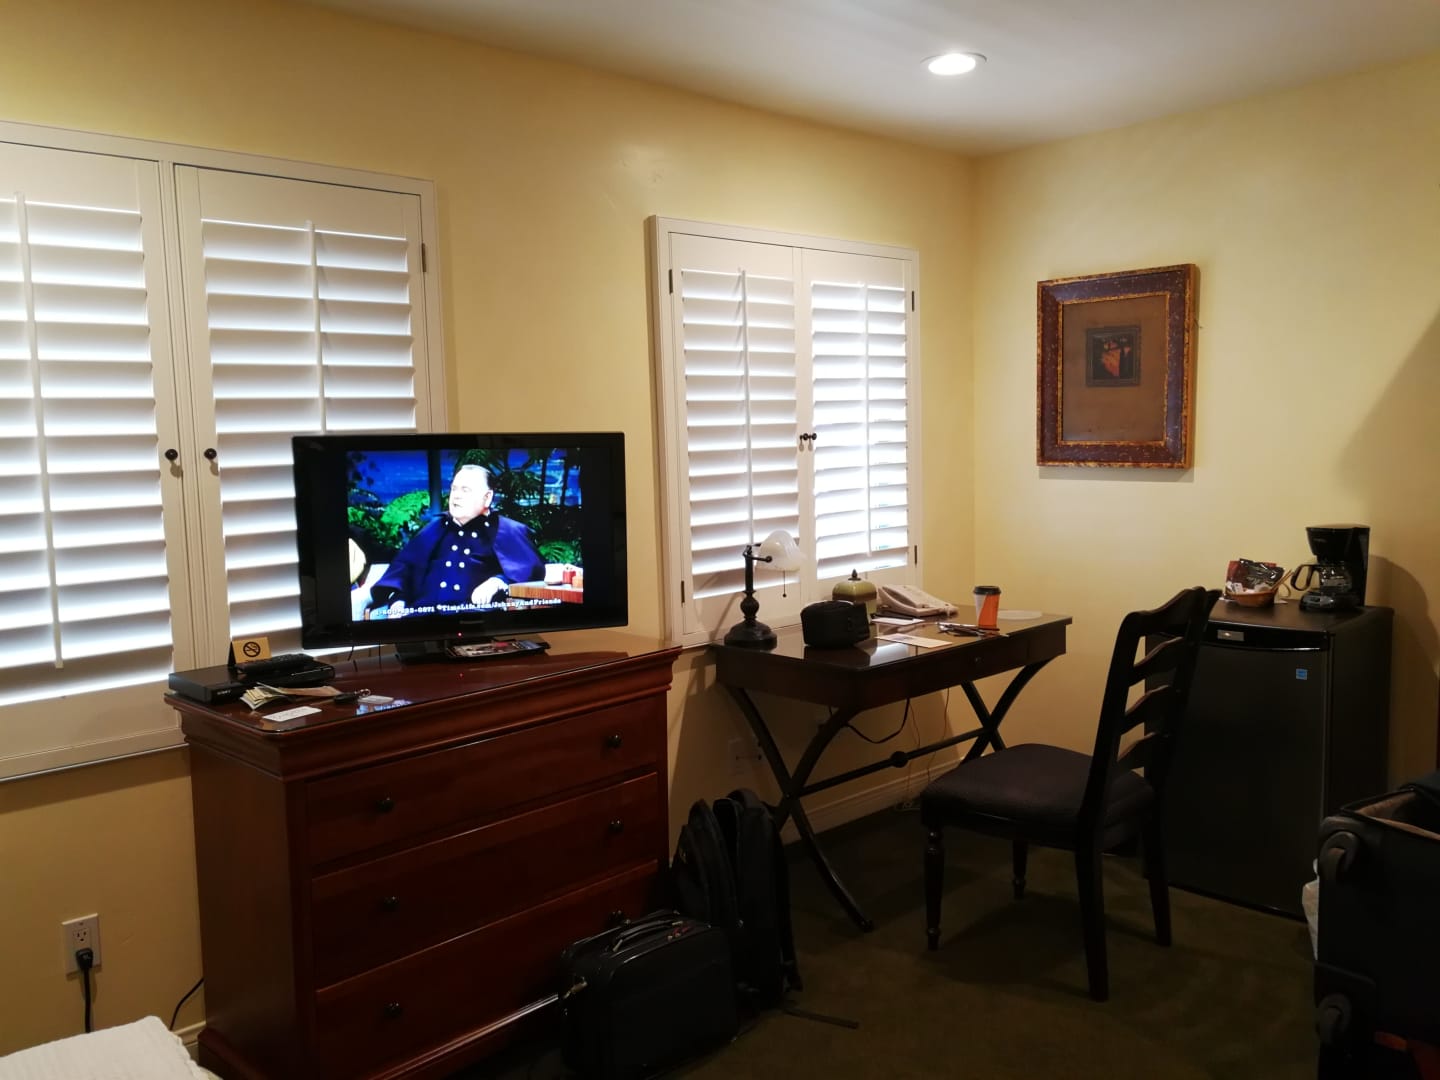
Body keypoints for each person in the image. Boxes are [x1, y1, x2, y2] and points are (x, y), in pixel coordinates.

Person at [366, 463, 545, 618]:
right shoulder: (434, 529)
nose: (456, 496)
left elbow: (529, 570)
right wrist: (399, 599)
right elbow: (407, 572)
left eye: (465, 490)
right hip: (422, 620)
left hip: (476, 621)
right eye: (454, 489)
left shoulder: (506, 530)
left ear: (487, 498)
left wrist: (498, 582)